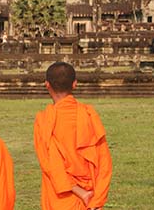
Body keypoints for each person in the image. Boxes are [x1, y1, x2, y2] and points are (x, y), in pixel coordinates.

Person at [33, 62, 112, 210]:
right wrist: (96, 200)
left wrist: (78, 191)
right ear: (75, 84)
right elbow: (104, 163)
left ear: (47, 85)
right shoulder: (88, 115)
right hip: (90, 198)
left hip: (60, 199)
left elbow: (50, 165)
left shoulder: (44, 121)